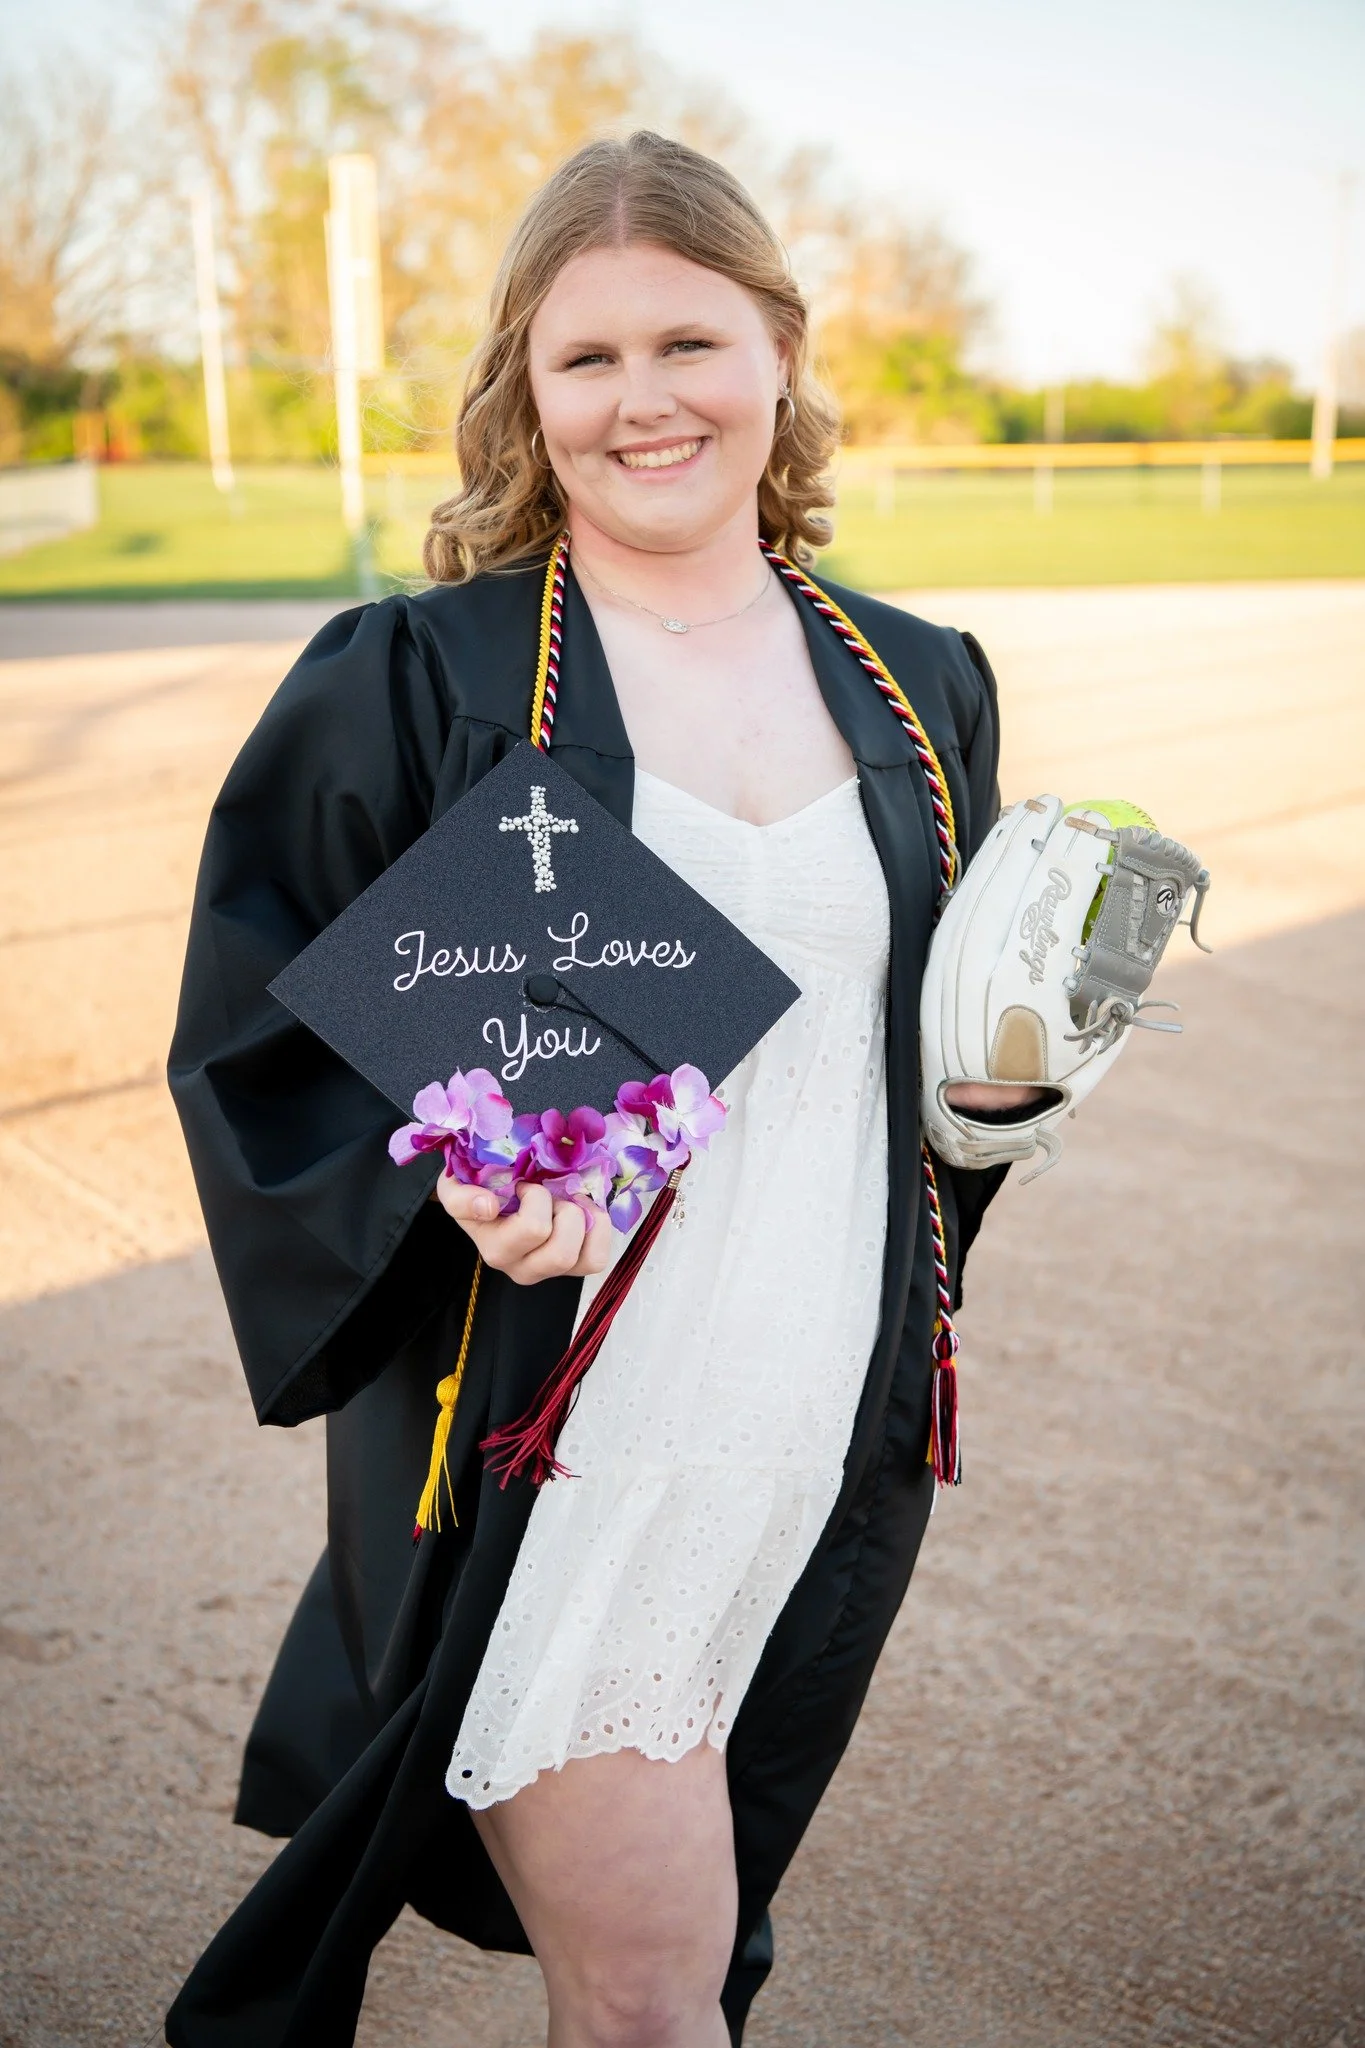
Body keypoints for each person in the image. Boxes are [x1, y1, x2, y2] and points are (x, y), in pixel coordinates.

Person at [165, 130, 1029, 2048]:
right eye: (588, 359)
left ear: (781, 351)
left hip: (810, 1420)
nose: (646, 401)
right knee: (653, 1999)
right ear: (523, 392)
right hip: (570, 1438)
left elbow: (913, 1073)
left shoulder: (917, 686)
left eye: (690, 342)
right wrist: (441, 1183)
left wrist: (1016, 1076)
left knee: (670, 1974)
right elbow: (261, 1040)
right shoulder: (423, 676)